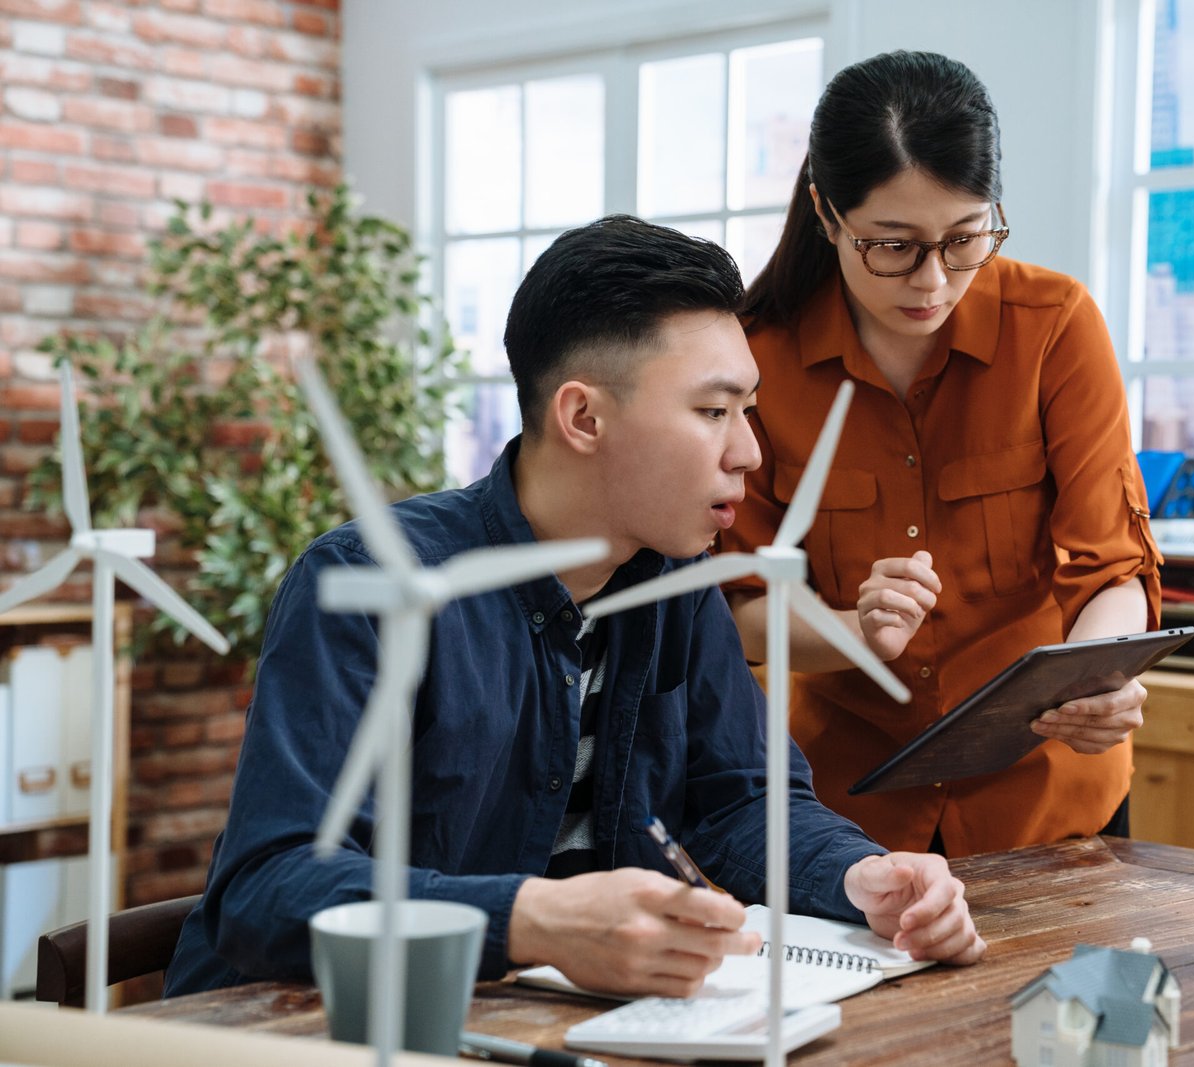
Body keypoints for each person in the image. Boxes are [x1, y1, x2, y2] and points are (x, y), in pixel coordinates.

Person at [165, 215, 985, 999]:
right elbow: (269, 884)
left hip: (546, 1022)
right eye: (712, 411)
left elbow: (738, 800)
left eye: (748, 410)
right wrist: (535, 919)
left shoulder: (679, 582)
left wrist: (858, 874)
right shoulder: (369, 583)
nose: (749, 452)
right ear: (583, 415)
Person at [721, 51, 1162, 858]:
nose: (933, 280)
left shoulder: (1055, 326)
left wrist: (1097, 678)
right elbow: (744, 607)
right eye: (893, 245)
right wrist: (855, 629)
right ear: (827, 214)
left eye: (965, 239)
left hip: (1050, 801)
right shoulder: (759, 361)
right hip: (849, 815)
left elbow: (1112, 568)